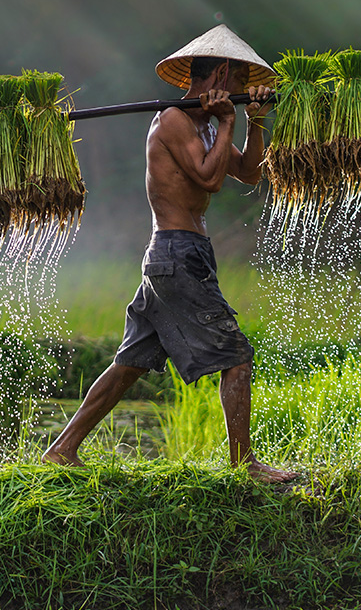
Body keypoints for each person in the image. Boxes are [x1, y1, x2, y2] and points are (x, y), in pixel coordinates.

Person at [42, 25, 298, 483]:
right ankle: (245, 466)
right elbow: (209, 178)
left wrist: (255, 121)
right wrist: (228, 123)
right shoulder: (174, 120)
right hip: (178, 255)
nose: (241, 88)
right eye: (238, 78)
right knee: (236, 357)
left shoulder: (202, 123)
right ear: (220, 71)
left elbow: (247, 174)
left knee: (130, 364)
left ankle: (61, 449)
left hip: (178, 255)